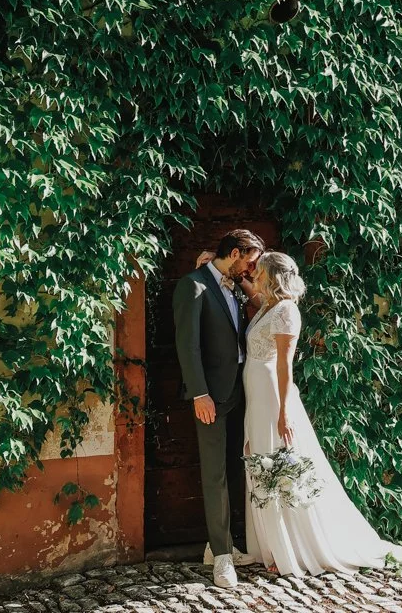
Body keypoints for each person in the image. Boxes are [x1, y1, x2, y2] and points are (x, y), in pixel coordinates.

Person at [240, 249, 402, 577]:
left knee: (278, 467)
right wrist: (237, 278)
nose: (254, 275)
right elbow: (254, 298)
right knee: (260, 461)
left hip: (273, 398)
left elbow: (284, 365)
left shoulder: (287, 311)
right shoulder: (268, 306)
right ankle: (272, 546)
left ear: (272, 277)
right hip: (256, 398)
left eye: (258, 272)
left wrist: (285, 412)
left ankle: (288, 550)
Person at [172, 228, 265, 589]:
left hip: (240, 391)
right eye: (251, 261)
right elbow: (188, 346)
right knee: (214, 475)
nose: (252, 269)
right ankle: (223, 561)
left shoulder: (233, 286)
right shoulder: (192, 286)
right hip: (210, 396)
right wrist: (199, 394)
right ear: (237, 252)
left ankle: (220, 545)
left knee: (232, 470)